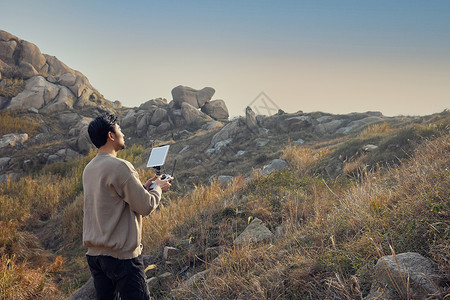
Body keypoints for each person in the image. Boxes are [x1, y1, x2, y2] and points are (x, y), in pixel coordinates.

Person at [82, 112, 172, 300]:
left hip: (96, 256)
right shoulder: (121, 166)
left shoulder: (89, 169)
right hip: (121, 258)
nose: (123, 134)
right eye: (120, 129)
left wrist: (143, 188)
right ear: (111, 135)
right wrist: (159, 189)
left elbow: (112, 201)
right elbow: (146, 206)